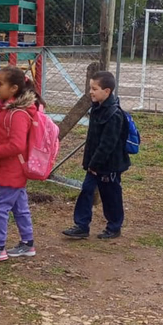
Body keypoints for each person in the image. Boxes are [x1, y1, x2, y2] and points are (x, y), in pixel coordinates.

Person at [0, 66, 41, 262]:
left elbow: (16, 145)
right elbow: (6, 134)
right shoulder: (9, 110)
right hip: (13, 169)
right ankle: (27, 244)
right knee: (19, 207)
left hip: (11, 170)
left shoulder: (18, 113)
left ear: (13, 88)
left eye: (0, 84)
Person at [62, 70, 130, 240]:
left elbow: (108, 145)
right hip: (94, 164)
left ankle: (114, 227)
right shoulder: (97, 108)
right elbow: (93, 140)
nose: (91, 92)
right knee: (86, 190)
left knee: (111, 195)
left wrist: (95, 165)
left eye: (94, 88)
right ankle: (81, 226)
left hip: (109, 166)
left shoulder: (114, 114)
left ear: (106, 91)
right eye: (90, 88)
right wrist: (90, 164)